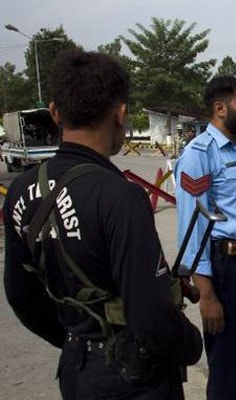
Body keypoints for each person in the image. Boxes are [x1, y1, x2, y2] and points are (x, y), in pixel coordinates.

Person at [3, 50, 203, 400]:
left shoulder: (21, 190)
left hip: (77, 370)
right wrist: (191, 344)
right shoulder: (121, 197)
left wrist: (76, 339)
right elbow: (152, 316)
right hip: (133, 378)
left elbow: (21, 295)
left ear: (54, 112)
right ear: (120, 113)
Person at [174, 75, 236, 400]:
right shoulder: (199, 154)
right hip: (226, 270)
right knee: (229, 368)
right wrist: (207, 294)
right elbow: (192, 229)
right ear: (220, 108)